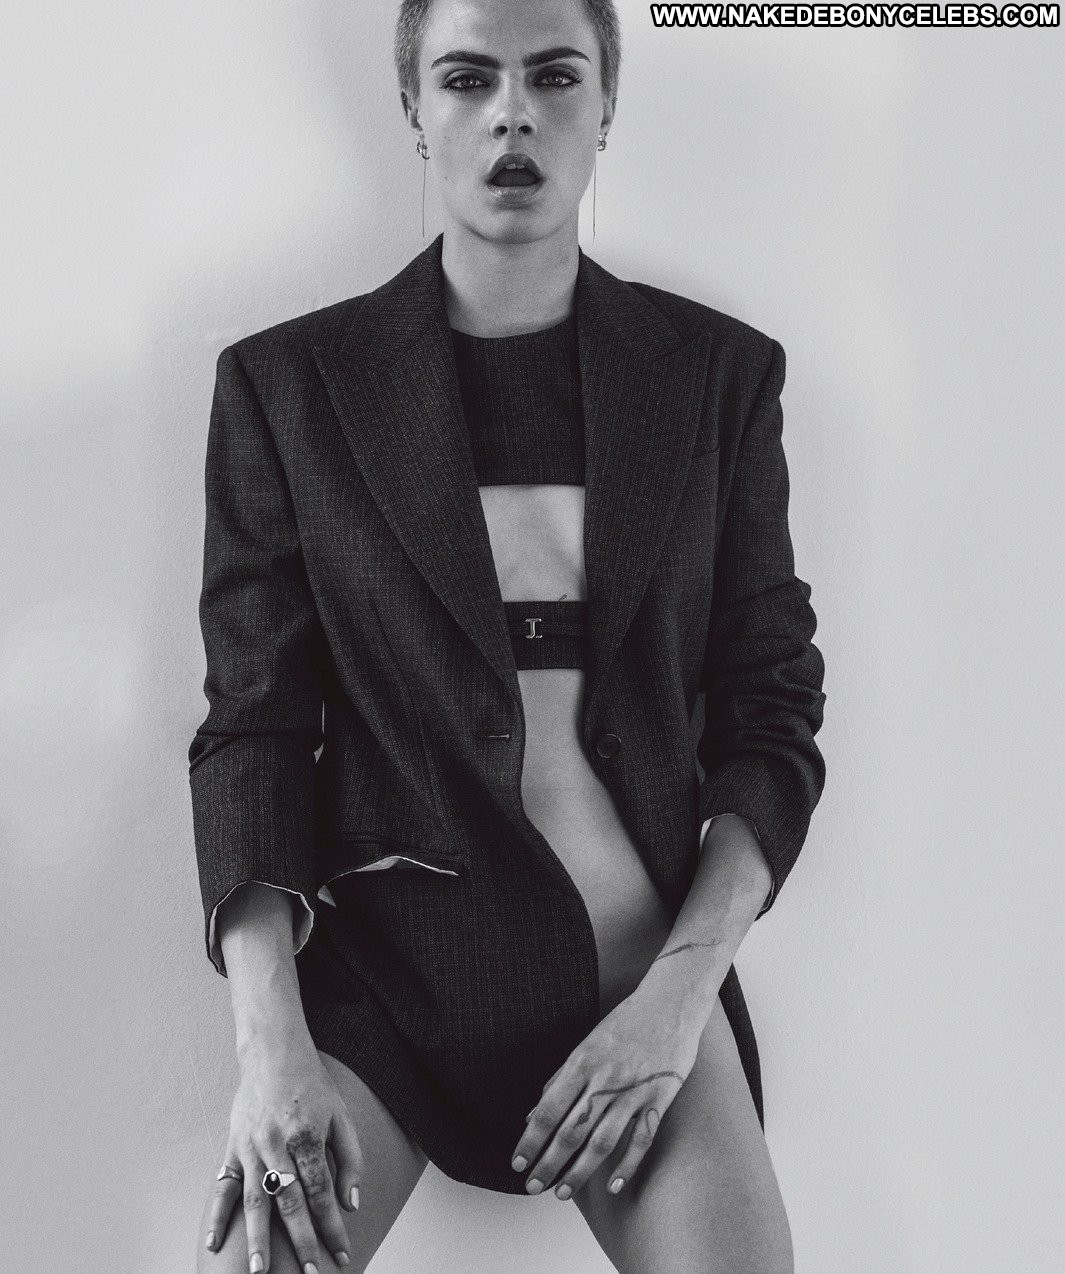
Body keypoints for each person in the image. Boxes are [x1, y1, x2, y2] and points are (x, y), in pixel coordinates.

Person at [191, 1, 826, 1270]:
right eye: (469, 78)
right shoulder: (289, 387)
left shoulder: (718, 378)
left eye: (555, 76)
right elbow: (255, 726)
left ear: (608, 103)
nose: (513, 113)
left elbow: (771, 715)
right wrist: (270, 1046)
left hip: (639, 978)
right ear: (415, 110)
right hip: (387, 995)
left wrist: (681, 995)